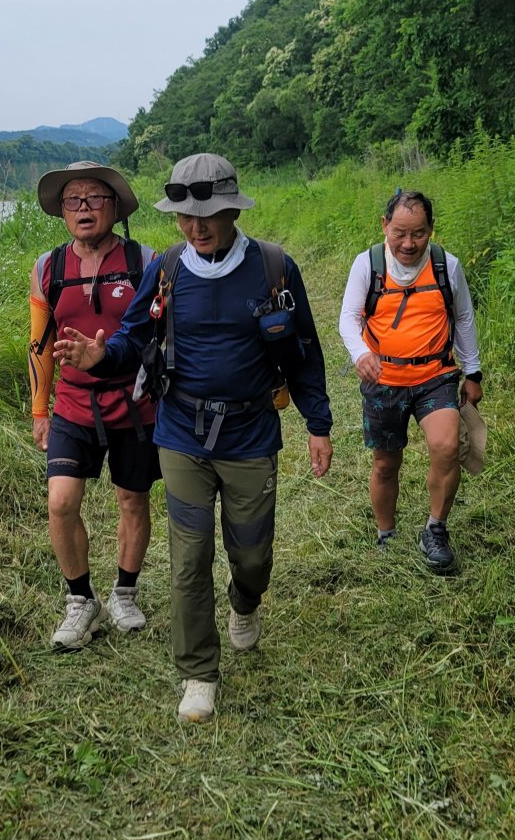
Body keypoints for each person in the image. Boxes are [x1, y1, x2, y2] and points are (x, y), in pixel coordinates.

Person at [55, 153, 333, 723]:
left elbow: (304, 350)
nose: (196, 226)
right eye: (185, 215)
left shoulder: (273, 268)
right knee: (189, 558)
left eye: (209, 214)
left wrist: (318, 422)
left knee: (251, 554)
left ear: (233, 208)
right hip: (180, 430)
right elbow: (133, 337)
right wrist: (101, 354)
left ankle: (244, 601)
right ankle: (198, 673)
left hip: (252, 430)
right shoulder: (167, 270)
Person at [29, 161, 162, 650]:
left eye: (93, 199)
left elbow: (160, 334)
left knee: (133, 499)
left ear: (115, 206)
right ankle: (80, 600)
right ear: (62, 212)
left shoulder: (145, 261)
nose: (83, 209)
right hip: (72, 405)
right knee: (61, 501)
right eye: (72, 201)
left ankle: (125, 591)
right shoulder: (48, 268)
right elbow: (39, 344)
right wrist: (40, 409)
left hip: (135, 404)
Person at [338, 190, 483, 571]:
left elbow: (464, 318)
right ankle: (387, 533)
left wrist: (473, 371)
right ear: (385, 226)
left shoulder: (446, 267)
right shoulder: (367, 265)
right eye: (399, 232)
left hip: (435, 376)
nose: (408, 243)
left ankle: (436, 529)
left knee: (446, 446)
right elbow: (349, 318)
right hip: (384, 379)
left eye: (418, 233)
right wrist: (361, 353)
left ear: (431, 230)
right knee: (386, 463)